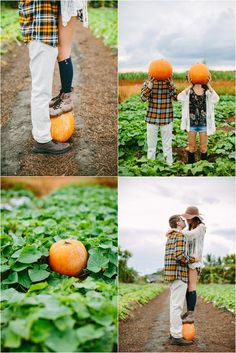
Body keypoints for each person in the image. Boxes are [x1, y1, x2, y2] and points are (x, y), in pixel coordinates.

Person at [18, 0, 88, 154]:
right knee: (41, 90)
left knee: (42, 89)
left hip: (47, 32)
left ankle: (43, 132)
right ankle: (42, 139)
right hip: (40, 31)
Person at [167, 206, 206, 324]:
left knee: (192, 286)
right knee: (187, 287)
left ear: (194, 217)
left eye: (188, 218)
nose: (187, 220)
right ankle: (189, 312)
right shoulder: (190, 227)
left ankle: (191, 313)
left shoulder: (201, 227)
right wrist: (177, 231)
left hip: (195, 261)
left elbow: (190, 235)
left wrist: (176, 230)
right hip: (189, 260)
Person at [164, 214, 199, 346]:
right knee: (177, 307)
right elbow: (179, 256)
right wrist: (194, 259)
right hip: (179, 274)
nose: (184, 222)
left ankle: (173, 333)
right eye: (182, 220)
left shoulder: (171, 235)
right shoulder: (179, 235)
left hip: (172, 274)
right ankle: (177, 336)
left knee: (174, 306)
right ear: (178, 222)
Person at [49, 0, 88, 116]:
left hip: (69, 4)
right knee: (61, 50)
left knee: (63, 51)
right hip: (63, 4)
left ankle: (66, 98)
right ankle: (63, 94)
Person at [177, 75, 219, 163]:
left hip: (203, 124)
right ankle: (191, 166)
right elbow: (179, 97)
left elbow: (216, 99)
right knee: (191, 147)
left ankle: (204, 166)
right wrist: (191, 85)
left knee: (203, 148)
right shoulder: (189, 92)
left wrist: (208, 84)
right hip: (191, 124)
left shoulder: (207, 92)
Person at [141, 76, 177, 165]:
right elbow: (143, 98)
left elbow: (176, 98)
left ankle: (169, 165)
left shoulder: (169, 84)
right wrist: (150, 86)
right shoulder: (147, 83)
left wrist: (170, 85)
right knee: (151, 146)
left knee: (167, 146)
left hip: (166, 118)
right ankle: (151, 166)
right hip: (152, 118)